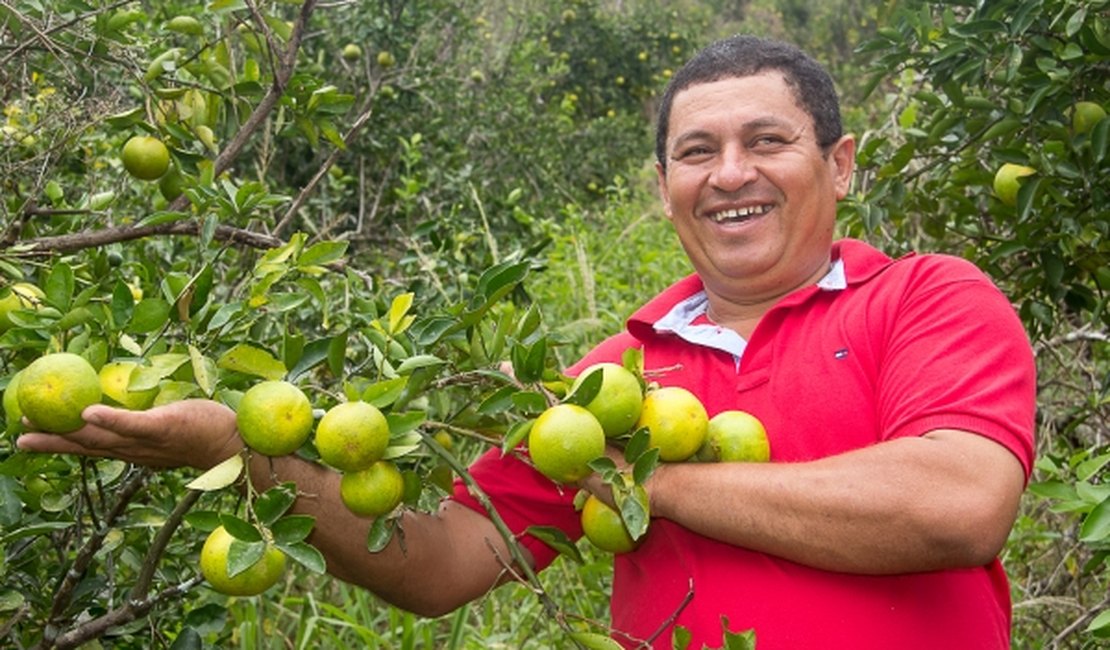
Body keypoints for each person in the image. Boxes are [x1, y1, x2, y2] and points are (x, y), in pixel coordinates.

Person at [17, 35, 1035, 649]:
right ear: (665, 185)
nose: (731, 173)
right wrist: (236, 447)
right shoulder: (608, 378)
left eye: (766, 141)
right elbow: (449, 558)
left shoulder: (925, 298)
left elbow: (951, 504)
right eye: (696, 151)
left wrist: (648, 481)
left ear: (839, 163)